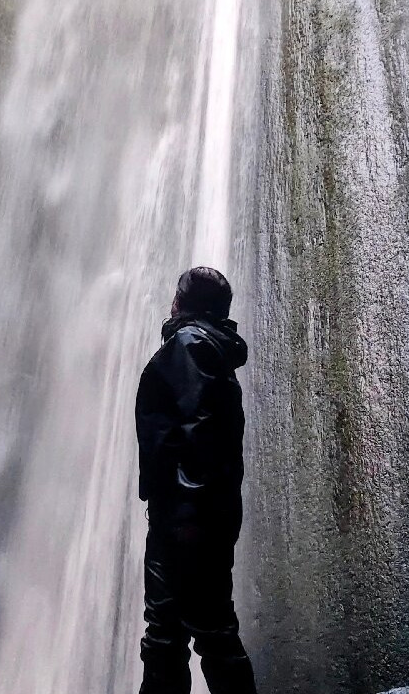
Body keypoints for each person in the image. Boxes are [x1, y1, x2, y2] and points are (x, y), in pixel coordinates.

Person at [135, 266, 258, 694]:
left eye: (176, 293)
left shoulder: (189, 345)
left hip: (184, 519)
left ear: (185, 302)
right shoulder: (211, 350)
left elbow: (198, 432)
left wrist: (186, 516)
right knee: (205, 628)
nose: (170, 300)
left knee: (174, 635)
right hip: (204, 514)